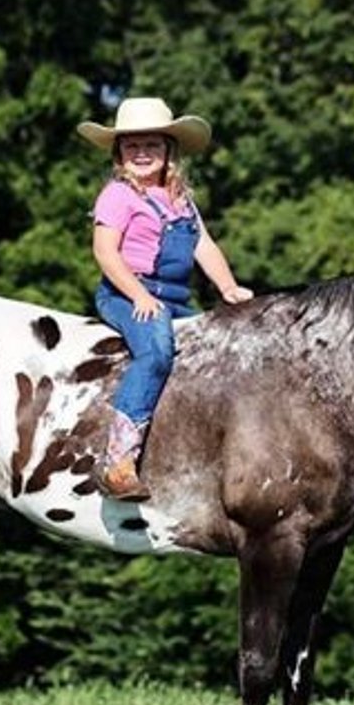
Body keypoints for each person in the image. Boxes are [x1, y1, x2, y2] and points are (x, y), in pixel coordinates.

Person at [77, 97, 253, 501]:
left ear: (168, 150)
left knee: (212, 350)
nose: (141, 154)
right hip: (127, 292)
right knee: (156, 350)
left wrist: (228, 287)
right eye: (131, 146)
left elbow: (204, 246)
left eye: (151, 145)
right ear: (119, 153)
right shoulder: (117, 196)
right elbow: (105, 253)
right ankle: (117, 460)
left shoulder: (181, 200)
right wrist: (138, 295)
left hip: (174, 297)